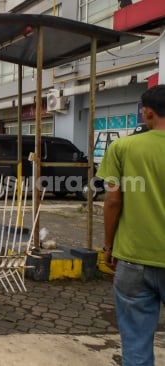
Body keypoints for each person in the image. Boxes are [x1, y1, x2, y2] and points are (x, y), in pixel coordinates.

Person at [97, 85, 165, 366]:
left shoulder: (123, 147)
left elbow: (113, 201)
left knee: (136, 343)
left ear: (147, 112)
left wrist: (109, 246)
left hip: (133, 259)